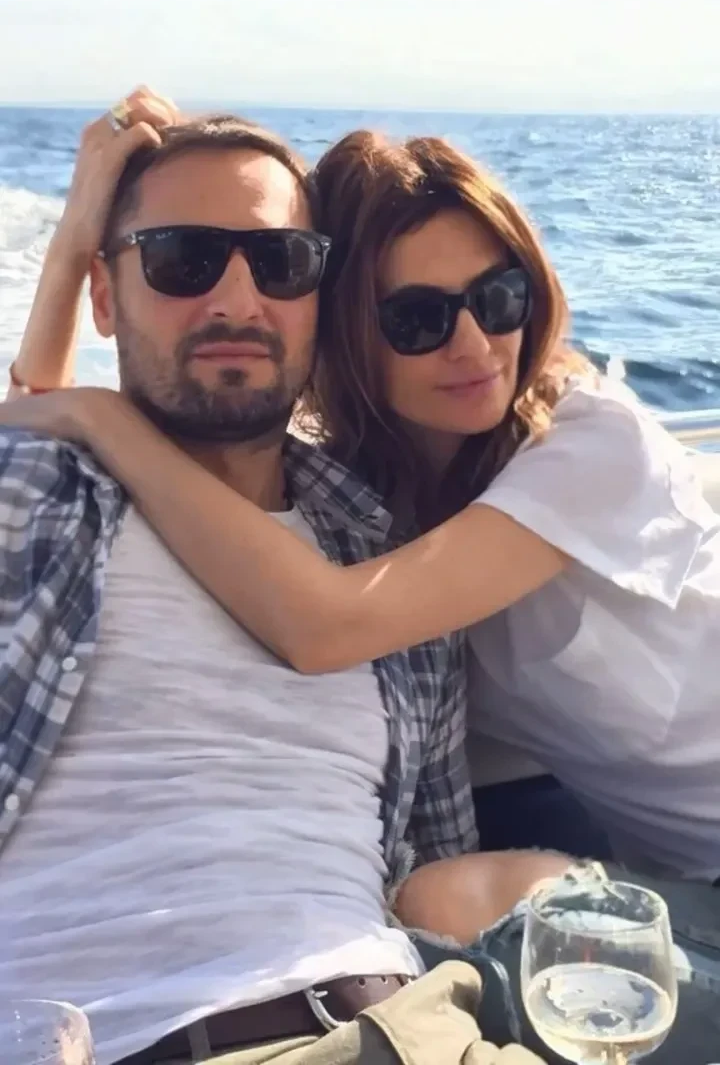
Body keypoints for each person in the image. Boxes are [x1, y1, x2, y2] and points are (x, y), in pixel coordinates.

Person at [0, 90, 561, 1065]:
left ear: (320, 300)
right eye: (182, 259)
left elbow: (434, 866)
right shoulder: (35, 489)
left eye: (282, 262)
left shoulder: (384, 553)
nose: (236, 300)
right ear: (106, 297)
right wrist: (71, 247)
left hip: (402, 1028)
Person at [12, 121, 720, 885]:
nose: (475, 345)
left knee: (449, 899)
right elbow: (39, 446)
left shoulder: (590, 445)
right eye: (417, 319)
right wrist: (80, 239)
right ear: (337, 330)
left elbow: (327, 628)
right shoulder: (365, 493)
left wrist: (102, 415)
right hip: (679, 860)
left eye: (498, 298)